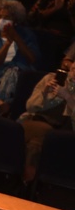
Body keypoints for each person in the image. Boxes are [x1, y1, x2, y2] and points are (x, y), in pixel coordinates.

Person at [18, 49, 75, 182]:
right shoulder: (50, 78)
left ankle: (25, 183)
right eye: (73, 69)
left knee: (37, 142)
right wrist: (45, 94)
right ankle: (27, 184)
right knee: (39, 135)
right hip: (37, 123)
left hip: (63, 132)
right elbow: (30, 107)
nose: (73, 74)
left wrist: (68, 98)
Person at [0, 0, 40, 115]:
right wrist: (8, 43)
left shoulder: (26, 34)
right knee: (8, 73)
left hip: (21, 74)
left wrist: (16, 38)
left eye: (6, 17)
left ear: (15, 21)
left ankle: (1, 105)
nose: (2, 20)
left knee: (12, 72)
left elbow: (32, 59)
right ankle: (4, 107)